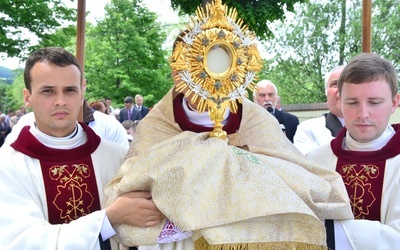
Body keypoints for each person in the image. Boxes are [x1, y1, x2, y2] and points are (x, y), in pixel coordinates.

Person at [103, 4, 352, 248]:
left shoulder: (257, 121)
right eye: (187, 67)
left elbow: (300, 180)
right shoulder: (156, 126)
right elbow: (125, 193)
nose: (201, 77)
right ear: (175, 71)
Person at [0, 47, 164, 249]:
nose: (60, 101)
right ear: (28, 97)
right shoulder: (8, 165)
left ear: (82, 92)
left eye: (69, 90)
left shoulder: (117, 157)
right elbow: (20, 242)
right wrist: (108, 219)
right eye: (48, 91)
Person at [307, 53, 400, 249]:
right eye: (352, 102)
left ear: (394, 102)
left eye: (374, 102)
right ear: (340, 102)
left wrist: (333, 231)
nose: (363, 114)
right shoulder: (315, 161)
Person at [294, 66, 345, 155]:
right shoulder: (308, 129)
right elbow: (309, 165)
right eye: (335, 84)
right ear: (326, 94)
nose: (342, 89)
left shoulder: (374, 127)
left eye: (348, 83)